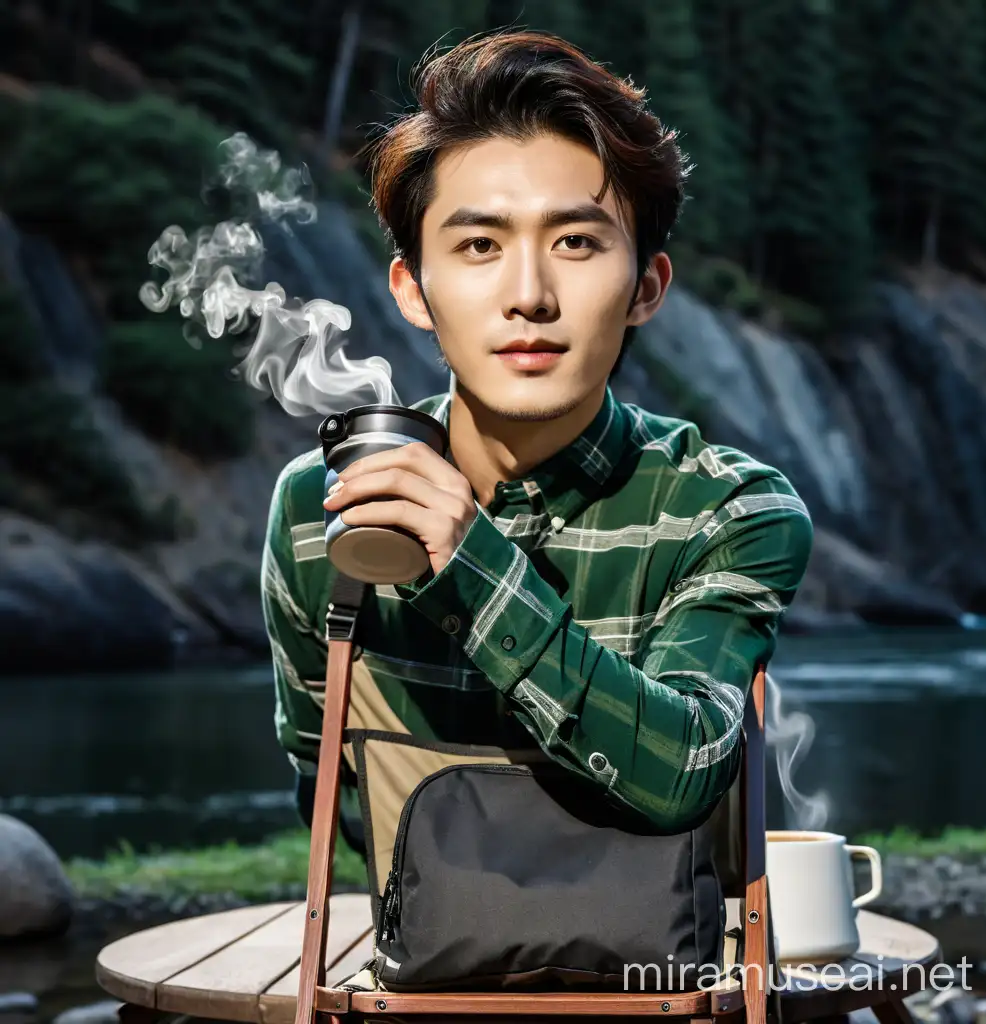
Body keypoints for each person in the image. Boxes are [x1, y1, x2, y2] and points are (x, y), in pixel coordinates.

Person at [263, 28, 814, 852]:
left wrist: (471, 560)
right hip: (421, 968)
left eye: (577, 243)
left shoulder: (724, 509)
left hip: (663, 972)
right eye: (480, 245)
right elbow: (331, 796)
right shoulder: (325, 504)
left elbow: (687, 770)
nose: (529, 295)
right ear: (413, 289)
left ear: (645, 288)